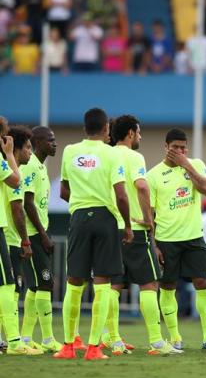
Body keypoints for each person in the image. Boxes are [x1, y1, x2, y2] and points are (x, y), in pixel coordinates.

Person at [54, 108, 132, 360]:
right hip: (105, 218)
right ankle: (94, 348)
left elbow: (63, 191)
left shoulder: (69, 151)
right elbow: (121, 194)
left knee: (74, 282)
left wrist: (80, 200)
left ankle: (67, 346)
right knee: (102, 283)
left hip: (78, 218)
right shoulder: (111, 153)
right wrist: (128, 225)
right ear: (107, 129)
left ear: (84, 128)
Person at [102, 115, 182, 355]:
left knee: (113, 285)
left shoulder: (105, 155)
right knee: (149, 284)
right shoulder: (134, 156)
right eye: (139, 132)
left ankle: (113, 339)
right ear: (129, 134)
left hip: (109, 228)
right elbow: (142, 186)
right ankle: (156, 342)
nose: (140, 137)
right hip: (134, 229)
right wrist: (148, 219)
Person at [147, 128, 206, 350]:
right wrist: (154, 245)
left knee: (203, 282)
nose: (179, 151)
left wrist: (186, 164)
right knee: (168, 285)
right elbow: (149, 214)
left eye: (183, 148)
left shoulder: (196, 165)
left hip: (194, 238)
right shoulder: (153, 175)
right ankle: (175, 338)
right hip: (166, 239)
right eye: (175, 148)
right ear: (166, 148)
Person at [0, 121, 41, 355]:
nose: (30, 152)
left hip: (8, 236)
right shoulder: (10, 167)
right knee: (9, 288)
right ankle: (14, 342)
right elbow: (17, 207)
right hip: (8, 237)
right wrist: (25, 240)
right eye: (27, 147)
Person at [19, 126, 61, 352]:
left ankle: (26, 337)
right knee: (45, 283)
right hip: (33, 235)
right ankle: (47, 339)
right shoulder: (31, 168)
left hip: (38, 233)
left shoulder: (41, 167)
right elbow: (27, 203)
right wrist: (43, 236)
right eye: (51, 140)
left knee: (35, 287)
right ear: (38, 142)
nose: (55, 144)